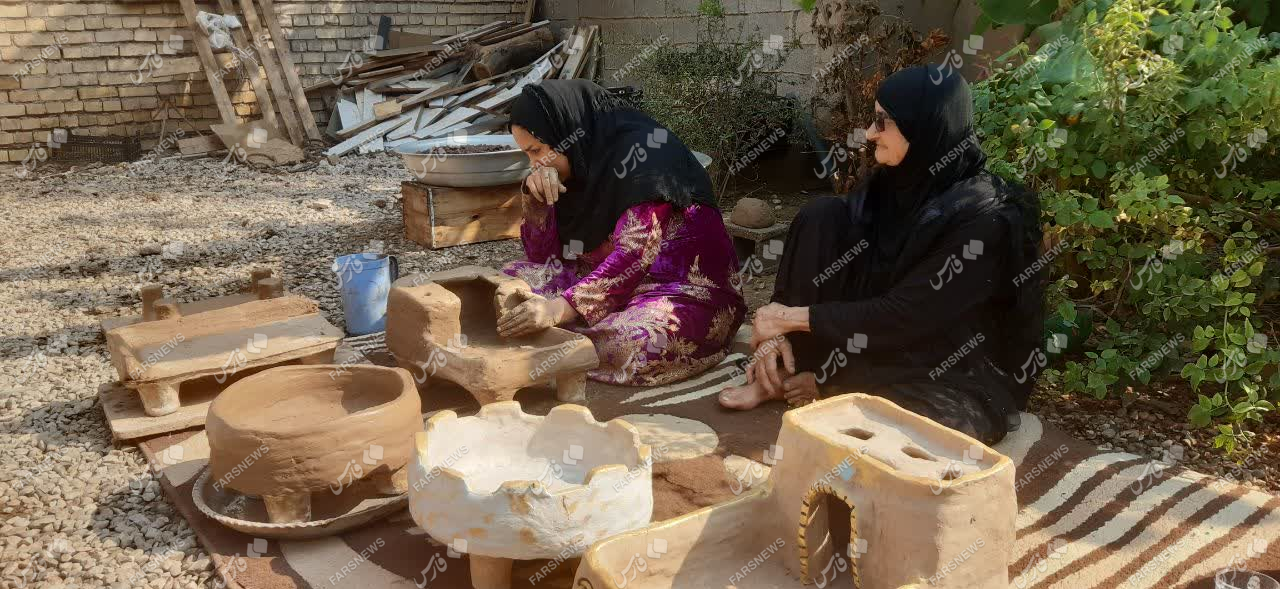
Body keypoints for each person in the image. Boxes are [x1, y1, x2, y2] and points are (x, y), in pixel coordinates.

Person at [718, 65, 1045, 445]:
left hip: (946, 356)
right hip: (878, 330)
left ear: (923, 125)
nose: (871, 133)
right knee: (822, 216)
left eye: (882, 122)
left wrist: (786, 317)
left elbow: (909, 314)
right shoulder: (898, 181)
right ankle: (783, 369)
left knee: (940, 421)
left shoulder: (984, 215)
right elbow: (844, 258)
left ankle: (834, 385)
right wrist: (779, 329)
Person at [498, 80, 747, 386]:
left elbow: (634, 255)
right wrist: (536, 198)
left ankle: (559, 345)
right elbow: (542, 257)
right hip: (602, 284)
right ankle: (568, 339)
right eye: (527, 155)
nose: (535, 164)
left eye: (537, 151)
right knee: (512, 278)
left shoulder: (646, 158)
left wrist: (556, 310)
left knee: (638, 342)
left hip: (678, 291)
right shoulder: (579, 165)